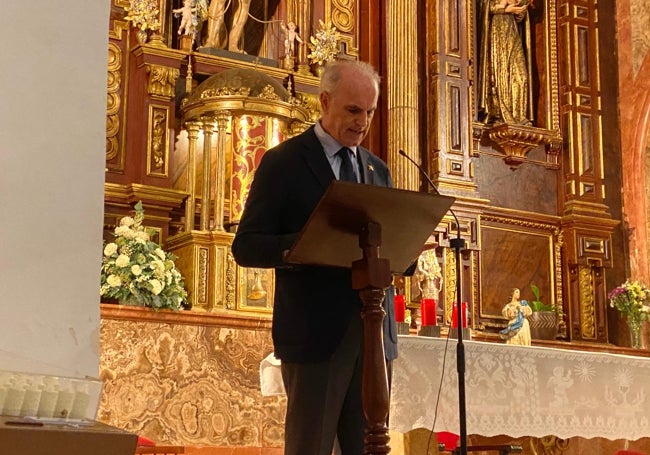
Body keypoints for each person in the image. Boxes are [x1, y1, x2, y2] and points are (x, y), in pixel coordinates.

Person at [231, 59, 398, 455]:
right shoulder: (284, 162)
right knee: (311, 446)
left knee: (367, 446)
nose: (363, 122)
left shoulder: (377, 170)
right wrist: (305, 245)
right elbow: (247, 245)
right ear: (325, 101)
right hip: (316, 332)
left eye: (370, 112)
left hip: (373, 334)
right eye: (353, 110)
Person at [477, 0, 533, 125]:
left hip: (512, 31)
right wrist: (504, 9)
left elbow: (520, 18)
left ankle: (518, 115)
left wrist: (521, 8)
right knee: (499, 71)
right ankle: (498, 114)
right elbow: (485, 7)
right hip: (496, 31)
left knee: (521, 74)